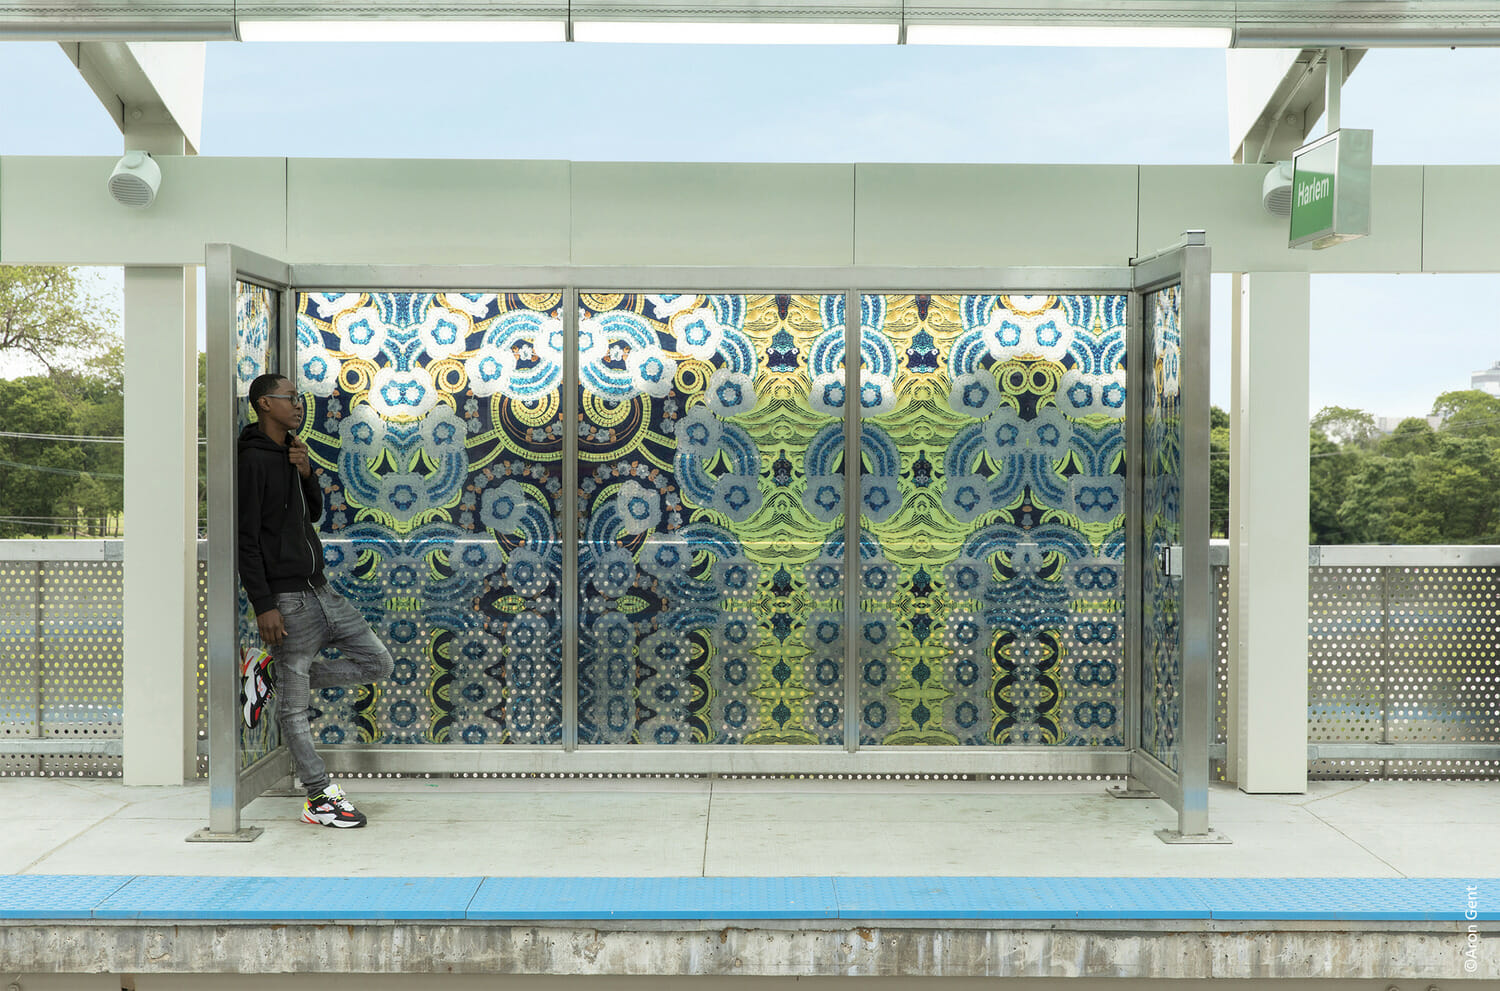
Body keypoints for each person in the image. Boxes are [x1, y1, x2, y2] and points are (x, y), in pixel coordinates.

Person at [238, 372, 393, 828]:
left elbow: (315, 514)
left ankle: (271, 679)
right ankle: (318, 796)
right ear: (265, 404)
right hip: (287, 602)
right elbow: (246, 539)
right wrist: (263, 604)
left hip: (321, 590)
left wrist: (307, 472)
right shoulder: (251, 461)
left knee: (377, 663)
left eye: (299, 399)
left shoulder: (291, 454)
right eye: (290, 398)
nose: (298, 405)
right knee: (295, 709)